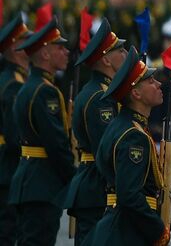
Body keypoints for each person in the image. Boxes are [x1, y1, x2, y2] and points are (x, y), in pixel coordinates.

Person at [91, 49, 171, 246]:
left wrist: (161, 193)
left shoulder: (125, 126)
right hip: (126, 232)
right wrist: (162, 235)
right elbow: (129, 195)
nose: (158, 84)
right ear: (136, 93)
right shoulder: (133, 136)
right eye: (150, 81)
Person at [8, 18, 74, 246]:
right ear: (45, 54)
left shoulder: (28, 87)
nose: (66, 52)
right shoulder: (46, 92)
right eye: (60, 47)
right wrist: (72, 178)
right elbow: (56, 143)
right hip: (42, 184)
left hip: (29, 179)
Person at [64, 18, 128, 246]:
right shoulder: (100, 98)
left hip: (94, 185)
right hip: (96, 187)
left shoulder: (100, 92)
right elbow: (108, 149)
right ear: (106, 59)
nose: (126, 54)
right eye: (120, 50)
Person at [0, 13, 32, 245]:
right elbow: (14, 135)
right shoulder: (13, 84)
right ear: (14, 49)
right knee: (9, 230)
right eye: (25, 42)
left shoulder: (10, 78)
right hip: (8, 166)